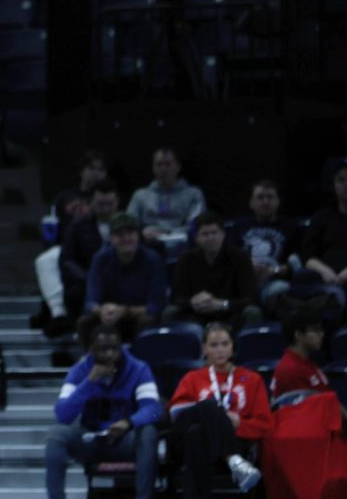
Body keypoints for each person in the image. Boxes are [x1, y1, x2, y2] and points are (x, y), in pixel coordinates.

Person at [44, 325, 161, 499]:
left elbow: (153, 409)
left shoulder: (138, 369)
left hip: (125, 440)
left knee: (148, 433)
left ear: (121, 347)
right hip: (92, 440)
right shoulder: (80, 371)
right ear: (91, 350)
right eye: (102, 350)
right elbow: (62, 415)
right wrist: (89, 382)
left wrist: (128, 422)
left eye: (114, 349)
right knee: (56, 435)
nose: (109, 355)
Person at [168, 323, 271, 497]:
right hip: (190, 442)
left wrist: (239, 424)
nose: (220, 350)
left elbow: (264, 423)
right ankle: (234, 461)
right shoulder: (192, 378)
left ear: (233, 347)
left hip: (236, 439)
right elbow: (176, 412)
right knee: (206, 408)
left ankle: (232, 459)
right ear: (204, 348)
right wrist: (217, 417)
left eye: (225, 344)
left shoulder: (252, 380)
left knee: (196, 433)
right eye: (214, 345)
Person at [163, 211, 263, 329]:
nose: (211, 238)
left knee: (253, 312)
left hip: (230, 313)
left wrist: (222, 304)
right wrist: (192, 302)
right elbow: (176, 297)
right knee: (170, 312)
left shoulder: (240, 257)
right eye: (205, 234)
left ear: (223, 234)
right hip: (196, 315)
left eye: (214, 232)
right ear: (197, 238)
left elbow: (251, 298)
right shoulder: (186, 259)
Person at [79, 213, 166, 345]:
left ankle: (142, 363)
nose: (125, 238)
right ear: (111, 238)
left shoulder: (152, 260)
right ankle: (93, 363)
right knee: (85, 322)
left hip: (138, 317)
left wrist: (124, 311)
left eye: (130, 233)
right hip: (110, 317)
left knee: (147, 320)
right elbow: (90, 301)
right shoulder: (101, 259)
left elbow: (156, 305)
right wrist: (102, 311)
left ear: (138, 235)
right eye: (119, 234)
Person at [303, 157, 347, 306]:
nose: (346, 184)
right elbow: (307, 257)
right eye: (341, 180)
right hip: (327, 278)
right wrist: (324, 271)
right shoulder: (322, 217)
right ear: (334, 186)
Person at [52, 180, 120, 336]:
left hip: (121, 279)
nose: (106, 209)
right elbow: (67, 259)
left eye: (110, 204)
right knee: (75, 292)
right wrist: (87, 277)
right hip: (87, 279)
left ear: (117, 202)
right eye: (101, 204)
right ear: (92, 203)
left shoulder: (127, 226)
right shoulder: (77, 225)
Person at [228, 179, 300, 312]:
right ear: (251, 202)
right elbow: (230, 258)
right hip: (245, 282)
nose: (265, 201)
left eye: (270, 197)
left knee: (281, 289)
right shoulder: (238, 227)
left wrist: (273, 271)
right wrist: (248, 268)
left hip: (275, 282)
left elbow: (296, 262)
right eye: (260, 197)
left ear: (278, 201)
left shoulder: (290, 226)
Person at [126, 147, 206, 253]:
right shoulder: (140, 195)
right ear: (153, 167)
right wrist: (141, 233)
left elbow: (195, 224)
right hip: (146, 248)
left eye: (167, 164)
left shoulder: (194, 194)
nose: (163, 169)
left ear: (178, 167)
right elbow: (129, 224)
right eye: (159, 164)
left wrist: (167, 233)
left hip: (182, 248)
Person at [270, 309, 330, 398]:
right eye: (315, 330)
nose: (321, 334)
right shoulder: (291, 370)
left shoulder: (304, 362)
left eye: (320, 329)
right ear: (298, 335)